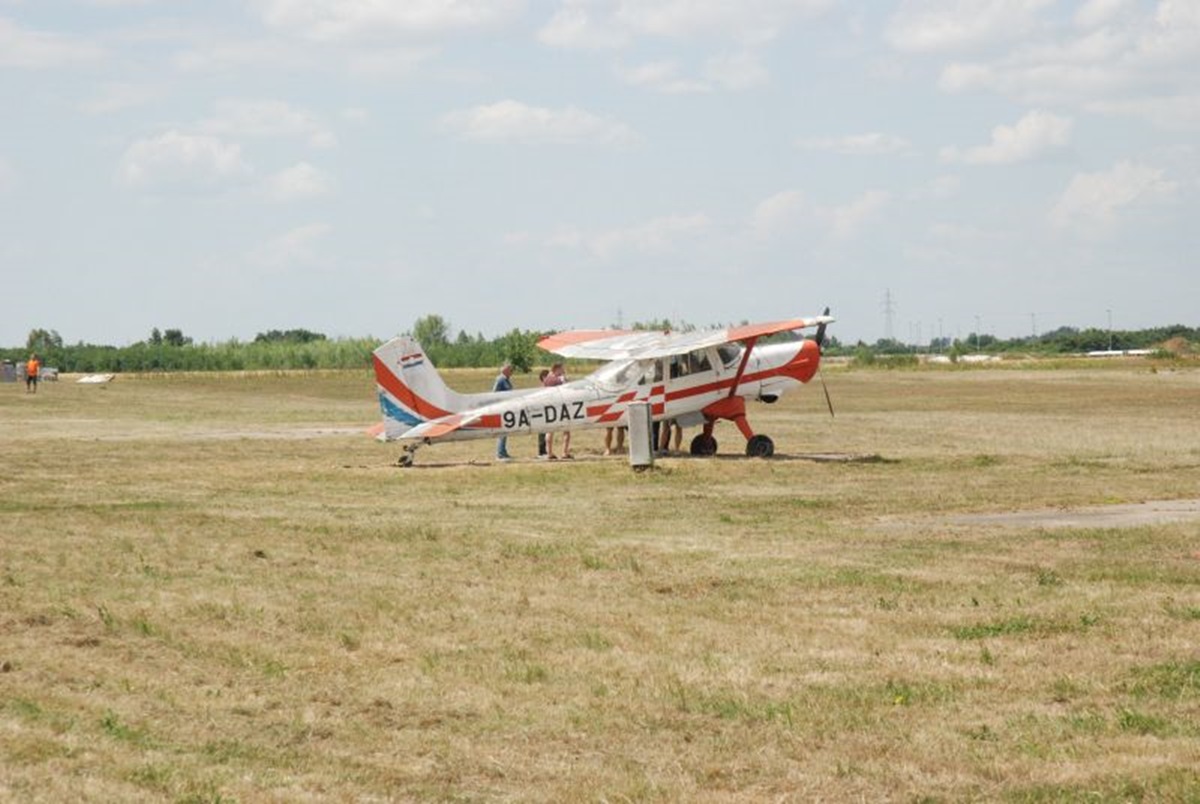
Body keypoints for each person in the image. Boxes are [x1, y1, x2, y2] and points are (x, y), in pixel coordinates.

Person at [543, 362, 571, 459]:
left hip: (549, 407)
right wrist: (565, 379)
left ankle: (549, 452)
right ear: (557, 369)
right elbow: (567, 388)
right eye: (562, 369)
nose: (563, 371)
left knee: (550, 431)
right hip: (561, 406)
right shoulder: (559, 380)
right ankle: (564, 452)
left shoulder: (546, 379)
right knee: (566, 431)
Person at [492, 363, 514, 460]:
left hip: (507, 408)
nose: (511, 372)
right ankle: (500, 453)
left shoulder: (506, 380)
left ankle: (503, 451)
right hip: (501, 408)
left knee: (506, 431)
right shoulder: (500, 380)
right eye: (510, 370)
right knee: (502, 431)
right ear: (505, 370)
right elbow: (494, 393)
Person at [536, 369, 549, 457]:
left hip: (546, 412)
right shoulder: (542, 388)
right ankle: (542, 451)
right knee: (542, 433)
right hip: (542, 413)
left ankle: (544, 450)